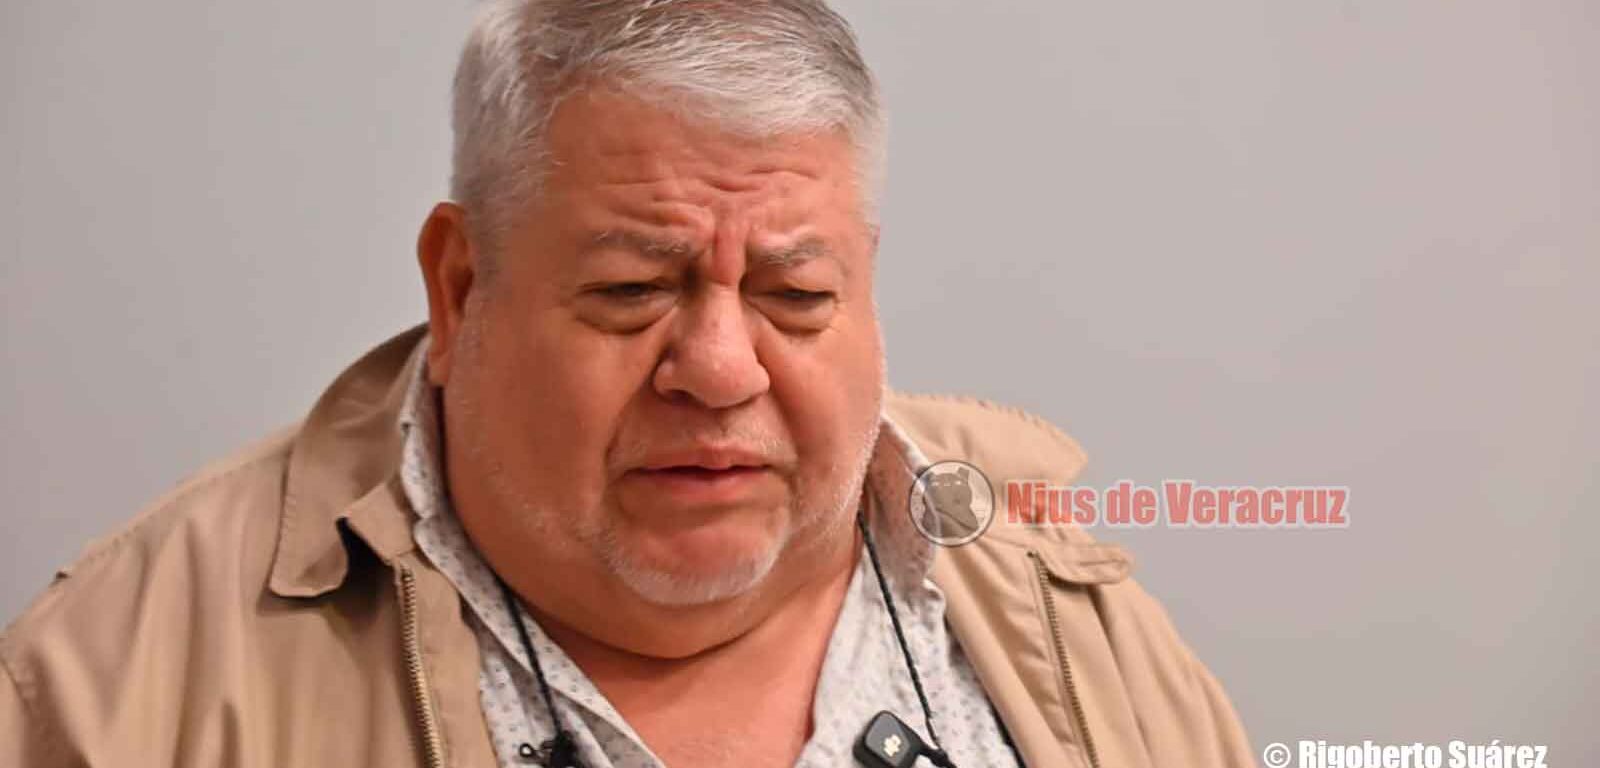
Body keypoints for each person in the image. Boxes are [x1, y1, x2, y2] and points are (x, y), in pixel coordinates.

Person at [0, 1, 1255, 766]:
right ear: (459, 289)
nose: (718, 369)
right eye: (631, 289)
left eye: (793, 295)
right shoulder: (121, 680)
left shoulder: (1062, 606)